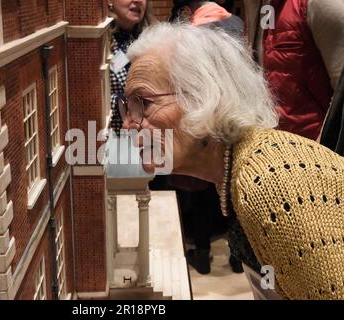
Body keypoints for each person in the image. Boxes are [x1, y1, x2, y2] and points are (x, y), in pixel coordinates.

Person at [120, 23, 344, 299]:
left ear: (203, 95)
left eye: (143, 103)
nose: (128, 126)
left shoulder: (268, 179)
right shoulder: (236, 171)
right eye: (126, 107)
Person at [168, 0, 244, 275]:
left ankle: (202, 255)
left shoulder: (190, 33)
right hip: (232, 120)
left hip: (201, 120)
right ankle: (238, 258)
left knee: (201, 192)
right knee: (230, 191)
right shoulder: (235, 25)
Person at [243, 0, 344, 141]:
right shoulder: (263, 7)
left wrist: (321, 152)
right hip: (275, 150)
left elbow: (341, 96)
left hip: (316, 153)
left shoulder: (321, 4)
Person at [109, 0, 154, 137]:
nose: (139, 1)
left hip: (150, 135)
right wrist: (123, 103)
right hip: (112, 138)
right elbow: (91, 98)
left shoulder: (153, 38)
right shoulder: (97, 42)